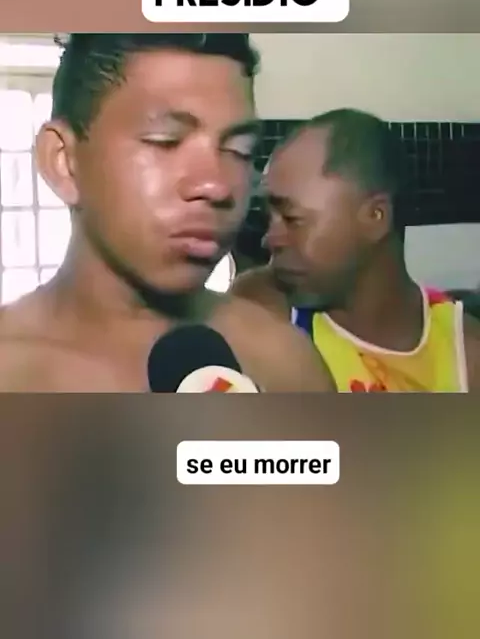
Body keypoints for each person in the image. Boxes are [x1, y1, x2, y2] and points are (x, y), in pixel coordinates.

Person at [0, 34, 334, 392]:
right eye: (166, 141)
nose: (216, 185)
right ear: (64, 162)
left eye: (239, 150)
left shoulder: (284, 362)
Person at [232, 109, 480, 391]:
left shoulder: (467, 354)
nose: (270, 239)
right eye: (269, 219)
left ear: (376, 216)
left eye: (291, 219)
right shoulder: (260, 308)